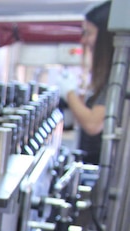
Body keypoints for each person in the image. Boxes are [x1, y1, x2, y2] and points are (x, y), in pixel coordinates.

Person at [58, 1, 113, 163]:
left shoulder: (116, 78)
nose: (84, 40)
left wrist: (69, 94)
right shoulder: (107, 75)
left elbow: (93, 124)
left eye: (88, 33)